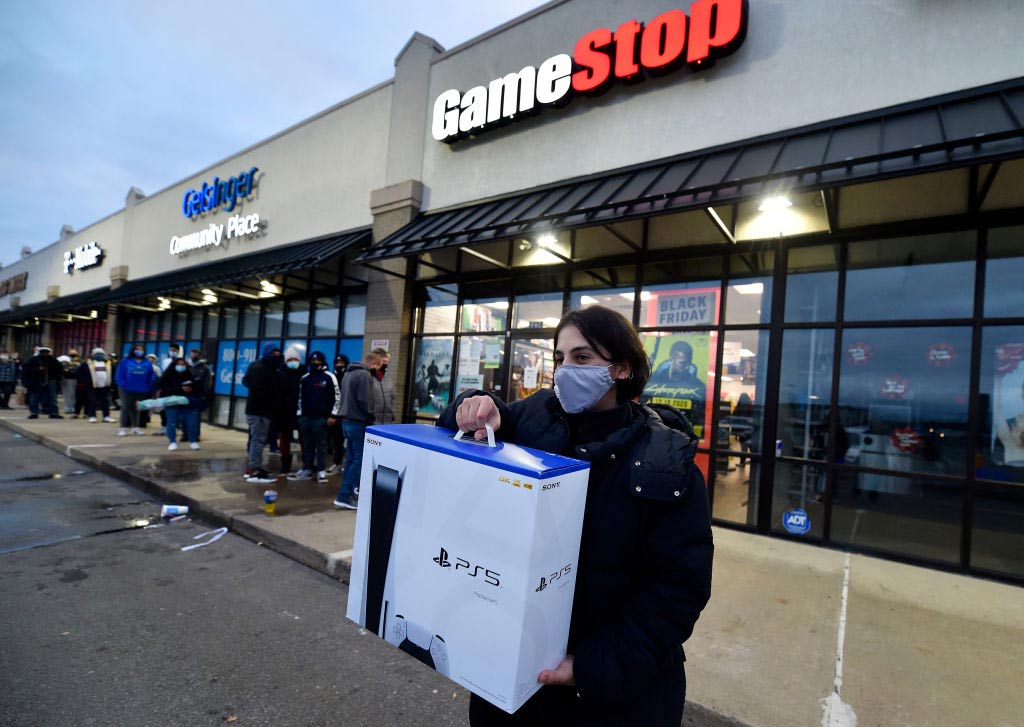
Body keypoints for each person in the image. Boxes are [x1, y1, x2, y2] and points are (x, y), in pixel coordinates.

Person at [440, 305, 713, 726]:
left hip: (614, 696)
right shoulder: (535, 416)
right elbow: (475, 424)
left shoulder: (667, 463)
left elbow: (678, 591)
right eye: (559, 358)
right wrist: (471, 406)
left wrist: (591, 666)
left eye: (582, 358)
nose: (565, 370)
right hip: (512, 673)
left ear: (622, 369)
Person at [333, 350, 380, 509]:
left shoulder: (348, 374)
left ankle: (347, 493)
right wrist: (371, 415)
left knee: (351, 459)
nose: (378, 370)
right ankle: (344, 495)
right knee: (358, 460)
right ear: (372, 363)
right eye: (378, 366)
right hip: (358, 422)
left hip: (346, 421)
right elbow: (364, 400)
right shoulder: (364, 375)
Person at [290, 350, 341, 484]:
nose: (315, 362)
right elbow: (300, 398)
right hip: (306, 418)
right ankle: (307, 469)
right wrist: (299, 416)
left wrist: (332, 415)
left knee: (321, 446)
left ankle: (321, 471)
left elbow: (337, 397)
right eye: (313, 360)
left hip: (321, 418)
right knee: (307, 445)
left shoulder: (329, 377)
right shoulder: (305, 378)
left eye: (318, 360)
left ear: (323, 361)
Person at [242, 343, 282, 484]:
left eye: (278, 353)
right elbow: (258, 389)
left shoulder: (270, 368)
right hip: (258, 411)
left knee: (258, 440)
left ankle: (255, 466)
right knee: (258, 440)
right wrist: (271, 402)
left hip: (262, 411)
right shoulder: (260, 368)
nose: (276, 356)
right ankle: (254, 469)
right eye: (273, 353)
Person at [156, 357, 204, 451]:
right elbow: (163, 389)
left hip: (187, 402)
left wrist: (192, 388)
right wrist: (179, 389)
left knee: (191, 422)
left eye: (183, 365)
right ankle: (172, 441)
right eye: (179, 364)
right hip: (172, 402)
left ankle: (193, 441)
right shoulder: (168, 376)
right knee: (172, 422)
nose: (181, 366)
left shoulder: (190, 375)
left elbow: (198, 387)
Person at [274, 348, 306, 475]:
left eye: (295, 359)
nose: (293, 362)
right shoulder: (281, 374)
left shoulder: (305, 373)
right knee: (285, 438)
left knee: (304, 438)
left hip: (301, 411)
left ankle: (306, 463)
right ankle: (285, 463)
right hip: (285, 412)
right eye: (290, 360)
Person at [116, 344, 157, 436]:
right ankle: (122, 428)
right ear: (133, 350)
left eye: (141, 349)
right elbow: (119, 374)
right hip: (126, 389)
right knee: (126, 407)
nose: (139, 351)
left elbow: (151, 376)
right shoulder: (126, 361)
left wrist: (148, 386)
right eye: (137, 349)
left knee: (136, 408)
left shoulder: (147, 363)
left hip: (141, 389)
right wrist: (123, 384)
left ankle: (135, 427)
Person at [22, 346, 64, 419]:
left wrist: (56, 377)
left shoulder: (53, 360)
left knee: (52, 398)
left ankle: (53, 413)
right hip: (37, 381)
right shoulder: (34, 360)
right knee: (35, 397)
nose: (44, 354)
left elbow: (59, 369)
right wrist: (37, 369)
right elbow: (26, 369)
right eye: (43, 352)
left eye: (46, 352)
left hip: (51, 381)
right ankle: (34, 412)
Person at [77, 348, 115, 423]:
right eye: (97, 354)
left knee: (105, 401)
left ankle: (106, 416)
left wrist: (112, 382)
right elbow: (78, 373)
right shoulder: (87, 363)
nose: (100, 355)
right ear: (93, 355)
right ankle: (92, 416)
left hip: (105, 386)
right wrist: (86, 381)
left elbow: (113, 373)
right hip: (93, 386)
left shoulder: (108, 363)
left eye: (101, 354)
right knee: (92, 401)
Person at [325, 354, 349, 474]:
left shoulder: (348, 377)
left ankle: (343, 463)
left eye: (342, 363)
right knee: (335, 441)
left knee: (345, 441)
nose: (339, 366)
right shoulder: (331, 377)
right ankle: (337, 462)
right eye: (337, 363)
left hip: (346, 415)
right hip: (333, 414)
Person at [188, 348, 214, 440]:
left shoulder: (204, 368)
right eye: (191, 354)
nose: (193, 356)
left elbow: (208, 382)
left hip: (198, 394)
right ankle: (186, 434)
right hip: (187, 393)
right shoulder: (188, 366)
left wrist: (204, 393)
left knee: (195, 416)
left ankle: (195, 435)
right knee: (185, 415)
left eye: (195, 354)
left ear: (199, 356)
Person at [370, 347, 396, 424]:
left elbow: (393, 398)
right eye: (384, 361)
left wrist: (392, 415)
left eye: (387, 362)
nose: (385, 364)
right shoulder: (366, 377)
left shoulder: (388, 379)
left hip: (386, 421)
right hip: (372, 421)